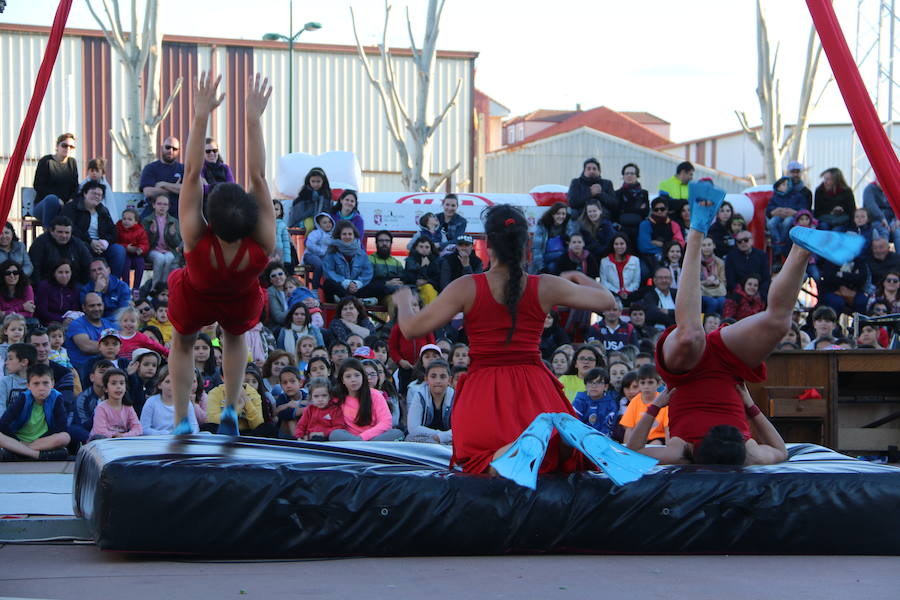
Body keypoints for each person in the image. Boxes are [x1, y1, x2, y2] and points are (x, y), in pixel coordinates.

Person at [626, 182, 862, 465]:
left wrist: (656, 405)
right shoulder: (749, 454)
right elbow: (780, 452)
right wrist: (749, 405)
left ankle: (698, 229)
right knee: (778, 323)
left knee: (690, 334)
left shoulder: (681, 453)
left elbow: (633, 450)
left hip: (683, 372)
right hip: (728, 369)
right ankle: (801, 249)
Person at [391, 204, 617, 476]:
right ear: (525, 245)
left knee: (479, 461)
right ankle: (537, 443)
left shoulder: (467, 286)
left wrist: (403, 301)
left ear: (488, 245)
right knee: (553, 465)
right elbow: (607, 301)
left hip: (484, 390)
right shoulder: (544, 284)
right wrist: (577, 276)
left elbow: (412, 329)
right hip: (535, 390)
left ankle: (508, 452)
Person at [160, 72, 276, 437]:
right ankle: (229, 408)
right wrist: (253, 120)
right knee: (235, 336)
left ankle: (181, 418)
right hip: (239, 298)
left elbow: (192, 172)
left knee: (182, 342)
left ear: (210, 215)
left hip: (197, 293)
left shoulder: (196, 236)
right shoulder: (262, 243)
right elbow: (258, 175)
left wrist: (200, 115)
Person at [0, 365, 70, 460]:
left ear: (52, 383)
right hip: (19, 440)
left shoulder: (57, 398)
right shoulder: (23, 398)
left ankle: (20, 453)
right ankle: (36, 455)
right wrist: (19, 442)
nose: (41, 388)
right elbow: (3, 424)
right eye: (36, 384)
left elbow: (61, 427)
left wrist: (36, 442)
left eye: (45, 383)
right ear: (28, 385)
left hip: (42, 442)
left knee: (65, 437)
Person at [58, 181, 126, 277]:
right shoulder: (72, 207)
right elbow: (71, 228)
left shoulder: (103, 210)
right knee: (83, 247)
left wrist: (105, 242)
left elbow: (113, 231)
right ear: (85, 193)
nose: (97, 196)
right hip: (81, 243)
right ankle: (86, 282)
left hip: (100, 246)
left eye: (100, 195)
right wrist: (90, 242)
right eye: (94, 193)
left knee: (119, 250)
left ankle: (112, 283)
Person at [328, 358, 403, 441]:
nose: (353, 380)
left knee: (397, 433)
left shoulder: (375, 394)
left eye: (357, 375)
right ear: (342, 380)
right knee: (335, 434)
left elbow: (386, 422)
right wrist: (357, 440)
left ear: (363, 377)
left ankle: (364, 447)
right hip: (350, 439)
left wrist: (362, 438)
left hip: (374, 438)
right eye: (348, 376)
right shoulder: (337, 398)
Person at [64, 292, 117, 379]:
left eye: (99, 305)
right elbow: (86, 347)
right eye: (92, 306)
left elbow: (121, 345)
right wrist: (112, 347)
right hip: (83, 371)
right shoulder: (76, 324)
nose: (96, 308)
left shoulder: (109, 324)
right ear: (84, 307)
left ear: (103, 305)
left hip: (106, 368)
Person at [31, 133, 79, 227]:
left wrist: (71, 199)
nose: (68, 148)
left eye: (71, 147)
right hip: (44, 206)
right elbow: (38, 185)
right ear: (57, 146)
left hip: (65, 207)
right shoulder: (46, 161)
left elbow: (75, 187)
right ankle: (49, 234)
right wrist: (57, 199)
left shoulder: (72, 163)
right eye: (64, 145)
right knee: (52, 200)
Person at [141, 365, 200, 435]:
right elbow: (144, 428)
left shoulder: (186, 402)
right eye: (167, 382)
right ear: (159, 385)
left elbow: (194, 426)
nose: (172, 385)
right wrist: (164, 434)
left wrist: (188, 433)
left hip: (180, 440)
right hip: (157, 441)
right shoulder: (151, 402)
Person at [322, 221, 373, 302]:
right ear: (339, 235)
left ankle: (346, 300)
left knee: (377, 285)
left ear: (354, 235)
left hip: (357, 289)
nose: (347, 236)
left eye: (350, 234)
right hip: (340, 288)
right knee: (328, 284)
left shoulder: (361, 253)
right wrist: (345, 282)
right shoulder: (331, 252)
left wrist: (357, 283)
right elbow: (328, 271)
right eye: (344, 234)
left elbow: (367, 271)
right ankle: (355, 301)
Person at [405, 359, 454, 444]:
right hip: (427, 440)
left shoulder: (455, 397)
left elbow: (463, 428)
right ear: (426, 379)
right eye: (433, 376)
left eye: (442, 377)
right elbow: (413, 428)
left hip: (449, 440)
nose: (438, 381)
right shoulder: (420, 396)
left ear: (449, 380)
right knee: (410, 438)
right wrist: (439, 435)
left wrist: (442, 437)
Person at [619, 364, 669, 445]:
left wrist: (669, 451)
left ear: (659, 383)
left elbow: (667, 428)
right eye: (643, 383)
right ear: (638, 384)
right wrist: (627, 451)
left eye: (650, 382)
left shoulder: (663, 401)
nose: (646, 386)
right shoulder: (635, 402)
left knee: (656, 443)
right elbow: (629, 429)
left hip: (657, 438)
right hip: (638, 438)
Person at [141, 194, 182, 287]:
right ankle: (155, 288)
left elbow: (177, 244)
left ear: (168, 207)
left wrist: (172, 235)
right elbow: (145, 243)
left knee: (169, 258)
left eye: (165, 204)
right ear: (154, 205)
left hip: (169, 250)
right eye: (159, 204)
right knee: (159, 258)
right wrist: (152, 233)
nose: (162, 207)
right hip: (152, 250)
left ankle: (164, 288)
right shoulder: (147, 220)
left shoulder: (174, 221)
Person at [89, 368, 142, 440]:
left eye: (122, 383)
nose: (118, 387)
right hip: (103, 443)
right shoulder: (101, 408)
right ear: (105, 389)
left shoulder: (128, 407)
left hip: (121, 441)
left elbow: (138, 429)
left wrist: (123, 436)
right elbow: (100, 431)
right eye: (113, 383)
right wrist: (115, 436)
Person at [139, 137, 184, 216]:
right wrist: (175, 189)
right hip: (152, 217)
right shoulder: (150, 168)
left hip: (176, 217)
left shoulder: (183, 169)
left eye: (175, 149)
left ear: (179, 151)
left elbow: (187, 190)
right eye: (168, 147)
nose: (171, 151)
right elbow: (148, 192)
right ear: (162, 147)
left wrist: (163, 184)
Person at [530, 202, 578, 274]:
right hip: (545, 257)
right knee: (556, 261)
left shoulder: (568, 226)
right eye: (558, 213)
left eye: (563, 214)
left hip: (562, 260)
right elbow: (537, 249)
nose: (561, 216)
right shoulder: (543, 227)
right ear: (552, 214)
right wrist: (541, 267)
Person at [766, 176, 806, 259]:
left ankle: (781, 242)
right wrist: (774, 211)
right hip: (778, 216)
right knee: (770, 223)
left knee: (788, 221)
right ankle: (778, 241)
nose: (782, 187)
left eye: (784, 184)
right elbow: (769, 210)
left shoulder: (797, 195)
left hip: (791, 217)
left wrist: (795, 212)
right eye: (780, 185)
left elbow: (803, 208)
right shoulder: (775, 197)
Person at [360, 230, 405, 303]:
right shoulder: (368, 260)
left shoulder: (397, 263)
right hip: (374, 294)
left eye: (387, 241)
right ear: (376, 243)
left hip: (394, 293)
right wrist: (385, 283)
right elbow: (366, 282)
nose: (384, 243)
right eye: (381, 241)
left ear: (391, 243)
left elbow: (402, 280)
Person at [571, 367, 619, 436]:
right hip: (581, 437)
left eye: (598, 382)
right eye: (590, 382)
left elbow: (608, 427)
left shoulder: (611, 404)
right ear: (586, 386)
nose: (594, 386)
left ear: (606, 386)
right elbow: (576, 422)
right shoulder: (579, 401)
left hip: (603, 439)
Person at [725, 231, 770, 299]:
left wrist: (760, 293)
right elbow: (730, 280)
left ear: (752, 240)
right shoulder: (731, 257)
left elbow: (766, 278)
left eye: (746, 240)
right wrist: (742, 293)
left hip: (759, 291)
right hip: (738, 293)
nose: (743, 243)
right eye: (739, 241)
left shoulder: (761, 255)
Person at [614, 163, 649, 244]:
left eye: (632, 173)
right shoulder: (617, 193)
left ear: (637, 176)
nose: (629, 175)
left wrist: (628, 209)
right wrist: (637, 209)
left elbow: (645, 212)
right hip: (622, 229)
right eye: (627, 173)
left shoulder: (644, 193)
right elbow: (615, 212)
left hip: (639, 229)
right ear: (623, 176)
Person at [599, 234, 641, 302]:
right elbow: (604, 282)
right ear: (612, 246)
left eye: (622, 244)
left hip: (630, 294)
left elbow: (636, 282)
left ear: (626, 245)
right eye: (616, 244)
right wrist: (618, 292)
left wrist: (627, 291)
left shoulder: (635, 260)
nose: (619, 246)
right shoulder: (604, 261)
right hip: (612, 294)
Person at [115, 207, 150, 286]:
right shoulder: (118, 228)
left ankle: (136, 287)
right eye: (124, 219)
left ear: (136, 222)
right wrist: (126, 247)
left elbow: (145, 244)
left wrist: (141, 249)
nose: (126, 221)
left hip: (136, 253)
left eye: (130, 219)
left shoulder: (140, 230)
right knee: (126, 263)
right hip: (124, 254)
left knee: (140, 263)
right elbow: (115, 243)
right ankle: (125, 285)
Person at [863, 179, 900, 248]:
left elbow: (897, 204)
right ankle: (883, 255)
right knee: (883, 231)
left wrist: (897, 219)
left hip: (891, 220)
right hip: (876, 220)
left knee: (898, 232)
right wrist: (882, 218)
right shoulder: (869, 189)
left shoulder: (893, 189)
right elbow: (871, 206)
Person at [0, 343, 35, 416]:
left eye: (10, 359)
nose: (6, 363)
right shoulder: (4, 382)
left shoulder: (37, 382)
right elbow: (1, 408)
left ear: (24, 362)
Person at [403, 235, 440, 303]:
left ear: (431, 249)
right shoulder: (410, 260)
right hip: (413, 289)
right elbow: (408, 278)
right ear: (415, 248)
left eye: (427, 247)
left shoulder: (436, 261)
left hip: (432, 289)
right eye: (421, 246)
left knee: (428, 288)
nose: (424, 249)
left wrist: (427, 281)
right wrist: (422, 267)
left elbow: (438, 279)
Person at [699, 236, 727, 316]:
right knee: (712, 303)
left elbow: (723, 281)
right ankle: (706, 325)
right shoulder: (696, 262)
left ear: (714, 246)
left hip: (717, 290)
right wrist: (705, 282)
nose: (706, 248)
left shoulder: (720, 262)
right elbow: (693, 282)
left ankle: (720, 324)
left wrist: (717, 281)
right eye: (703, 245)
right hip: (702, 291)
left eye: (709, 245)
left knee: (722, 301)